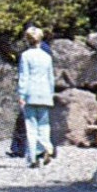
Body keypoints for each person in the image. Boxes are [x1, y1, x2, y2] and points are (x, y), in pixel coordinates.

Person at [17, 25, 56, 168]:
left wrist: (21, 94)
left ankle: (33, 157)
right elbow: (51, 77)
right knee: (44, 125)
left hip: (30, 93)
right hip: (45, 93)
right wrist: (51, 93)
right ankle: (46, 147)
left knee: (31, 126)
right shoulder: (47, 57)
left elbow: (24, 76)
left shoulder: (25, 56)